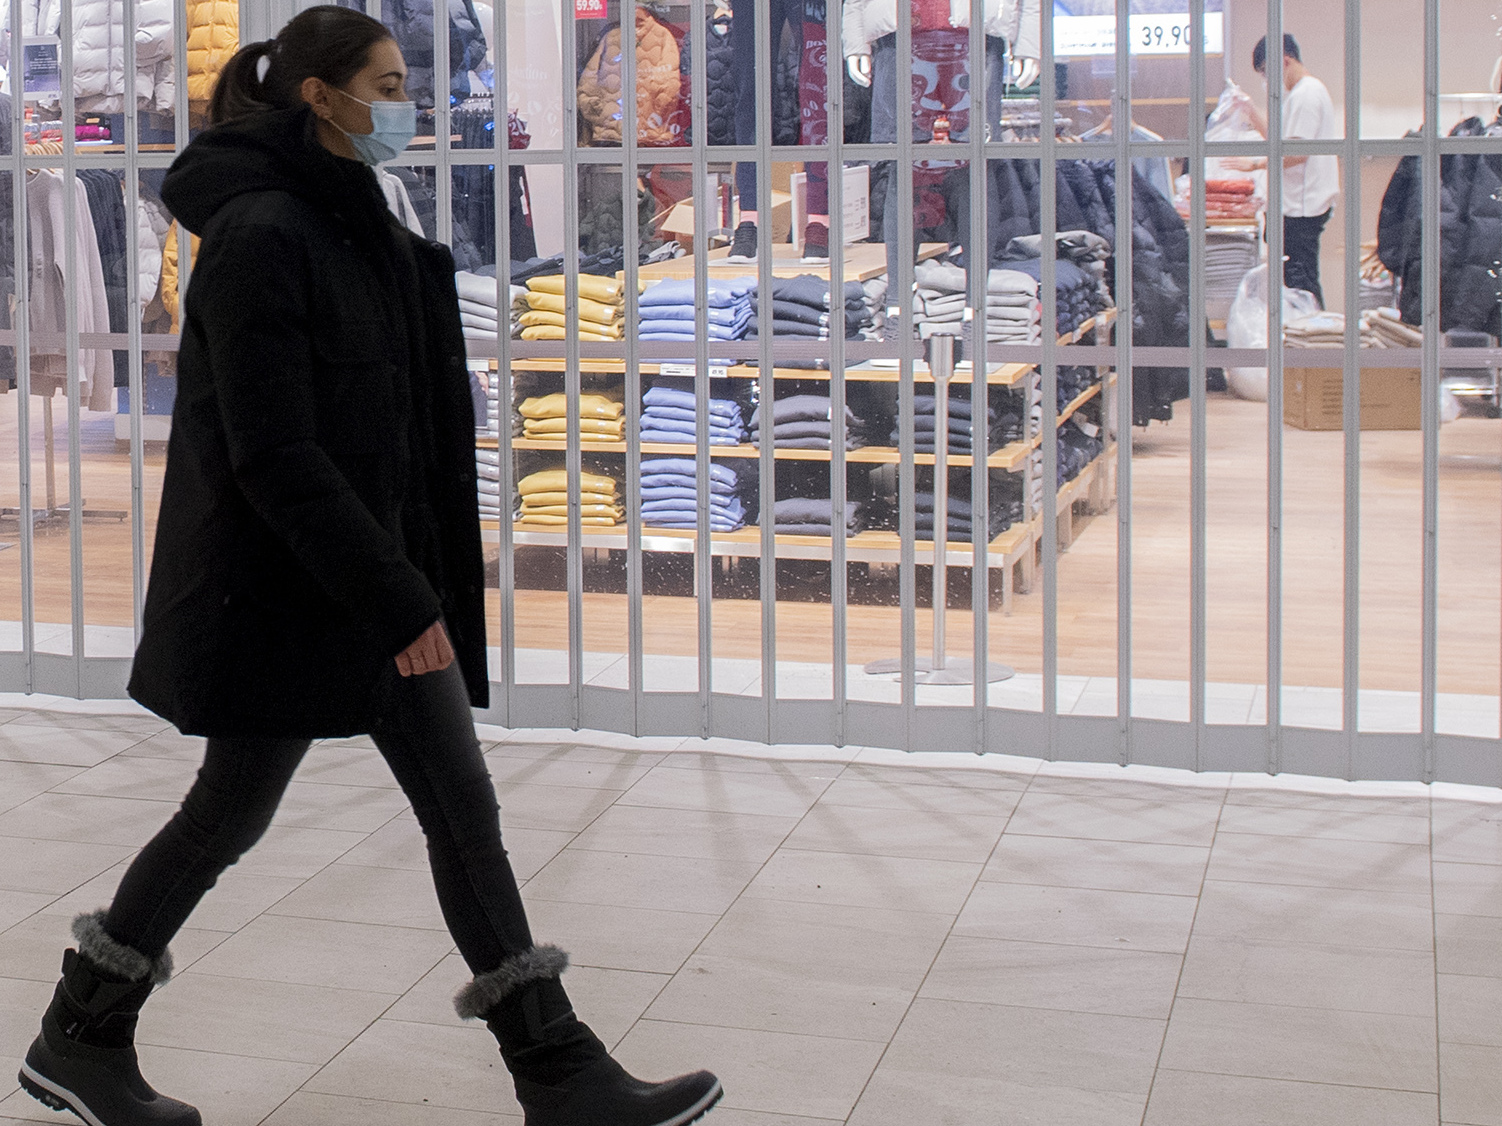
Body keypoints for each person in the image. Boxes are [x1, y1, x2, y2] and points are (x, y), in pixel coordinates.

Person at [14, 9, 722, 1126]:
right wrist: (400, 597)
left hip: (365, 578)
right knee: (251, 812)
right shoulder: (259, 236)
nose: (408, 104)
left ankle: (560, 1073)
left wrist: (415, 572)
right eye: (387, 84)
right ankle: (81, 1035)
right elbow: (273, 451)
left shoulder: (357, 221)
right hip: (296, 590)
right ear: (319, 97)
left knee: (429, 810)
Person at [1231, 33, 1340, 307]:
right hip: (1296, 206)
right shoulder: (1299, 95)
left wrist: (1255, 164)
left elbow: (1296, 153)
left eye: (1267, 71)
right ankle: (1306, 339)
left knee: (1301, 283)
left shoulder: (1307, 94)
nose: (1267, 80)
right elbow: (1282, 142)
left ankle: (1310, 341)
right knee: (1297, 282)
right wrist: (1252, 113)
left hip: (1302, 208)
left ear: (1285, 60)